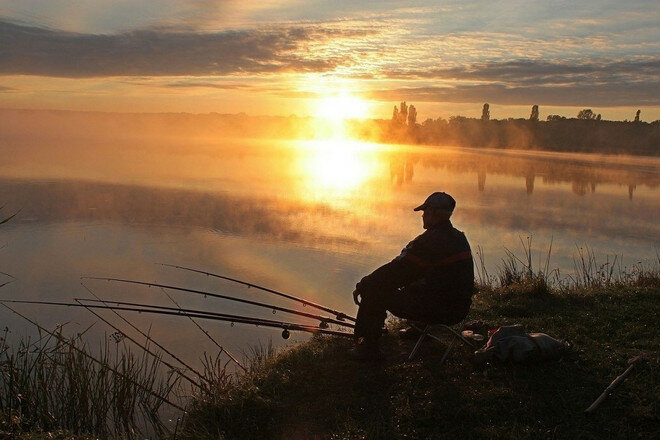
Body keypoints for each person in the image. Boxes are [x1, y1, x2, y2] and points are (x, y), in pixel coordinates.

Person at [349, 191, 474, 360]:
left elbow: (396, 272)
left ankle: (367, 348)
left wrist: (364, 283)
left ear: (431, 213)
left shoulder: (427, 242)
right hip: (459, 309)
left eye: (424, 212)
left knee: (374, 289)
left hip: (438, 311)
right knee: (424, 279)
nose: (422, 216)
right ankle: (418, 329)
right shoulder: (459, 238)